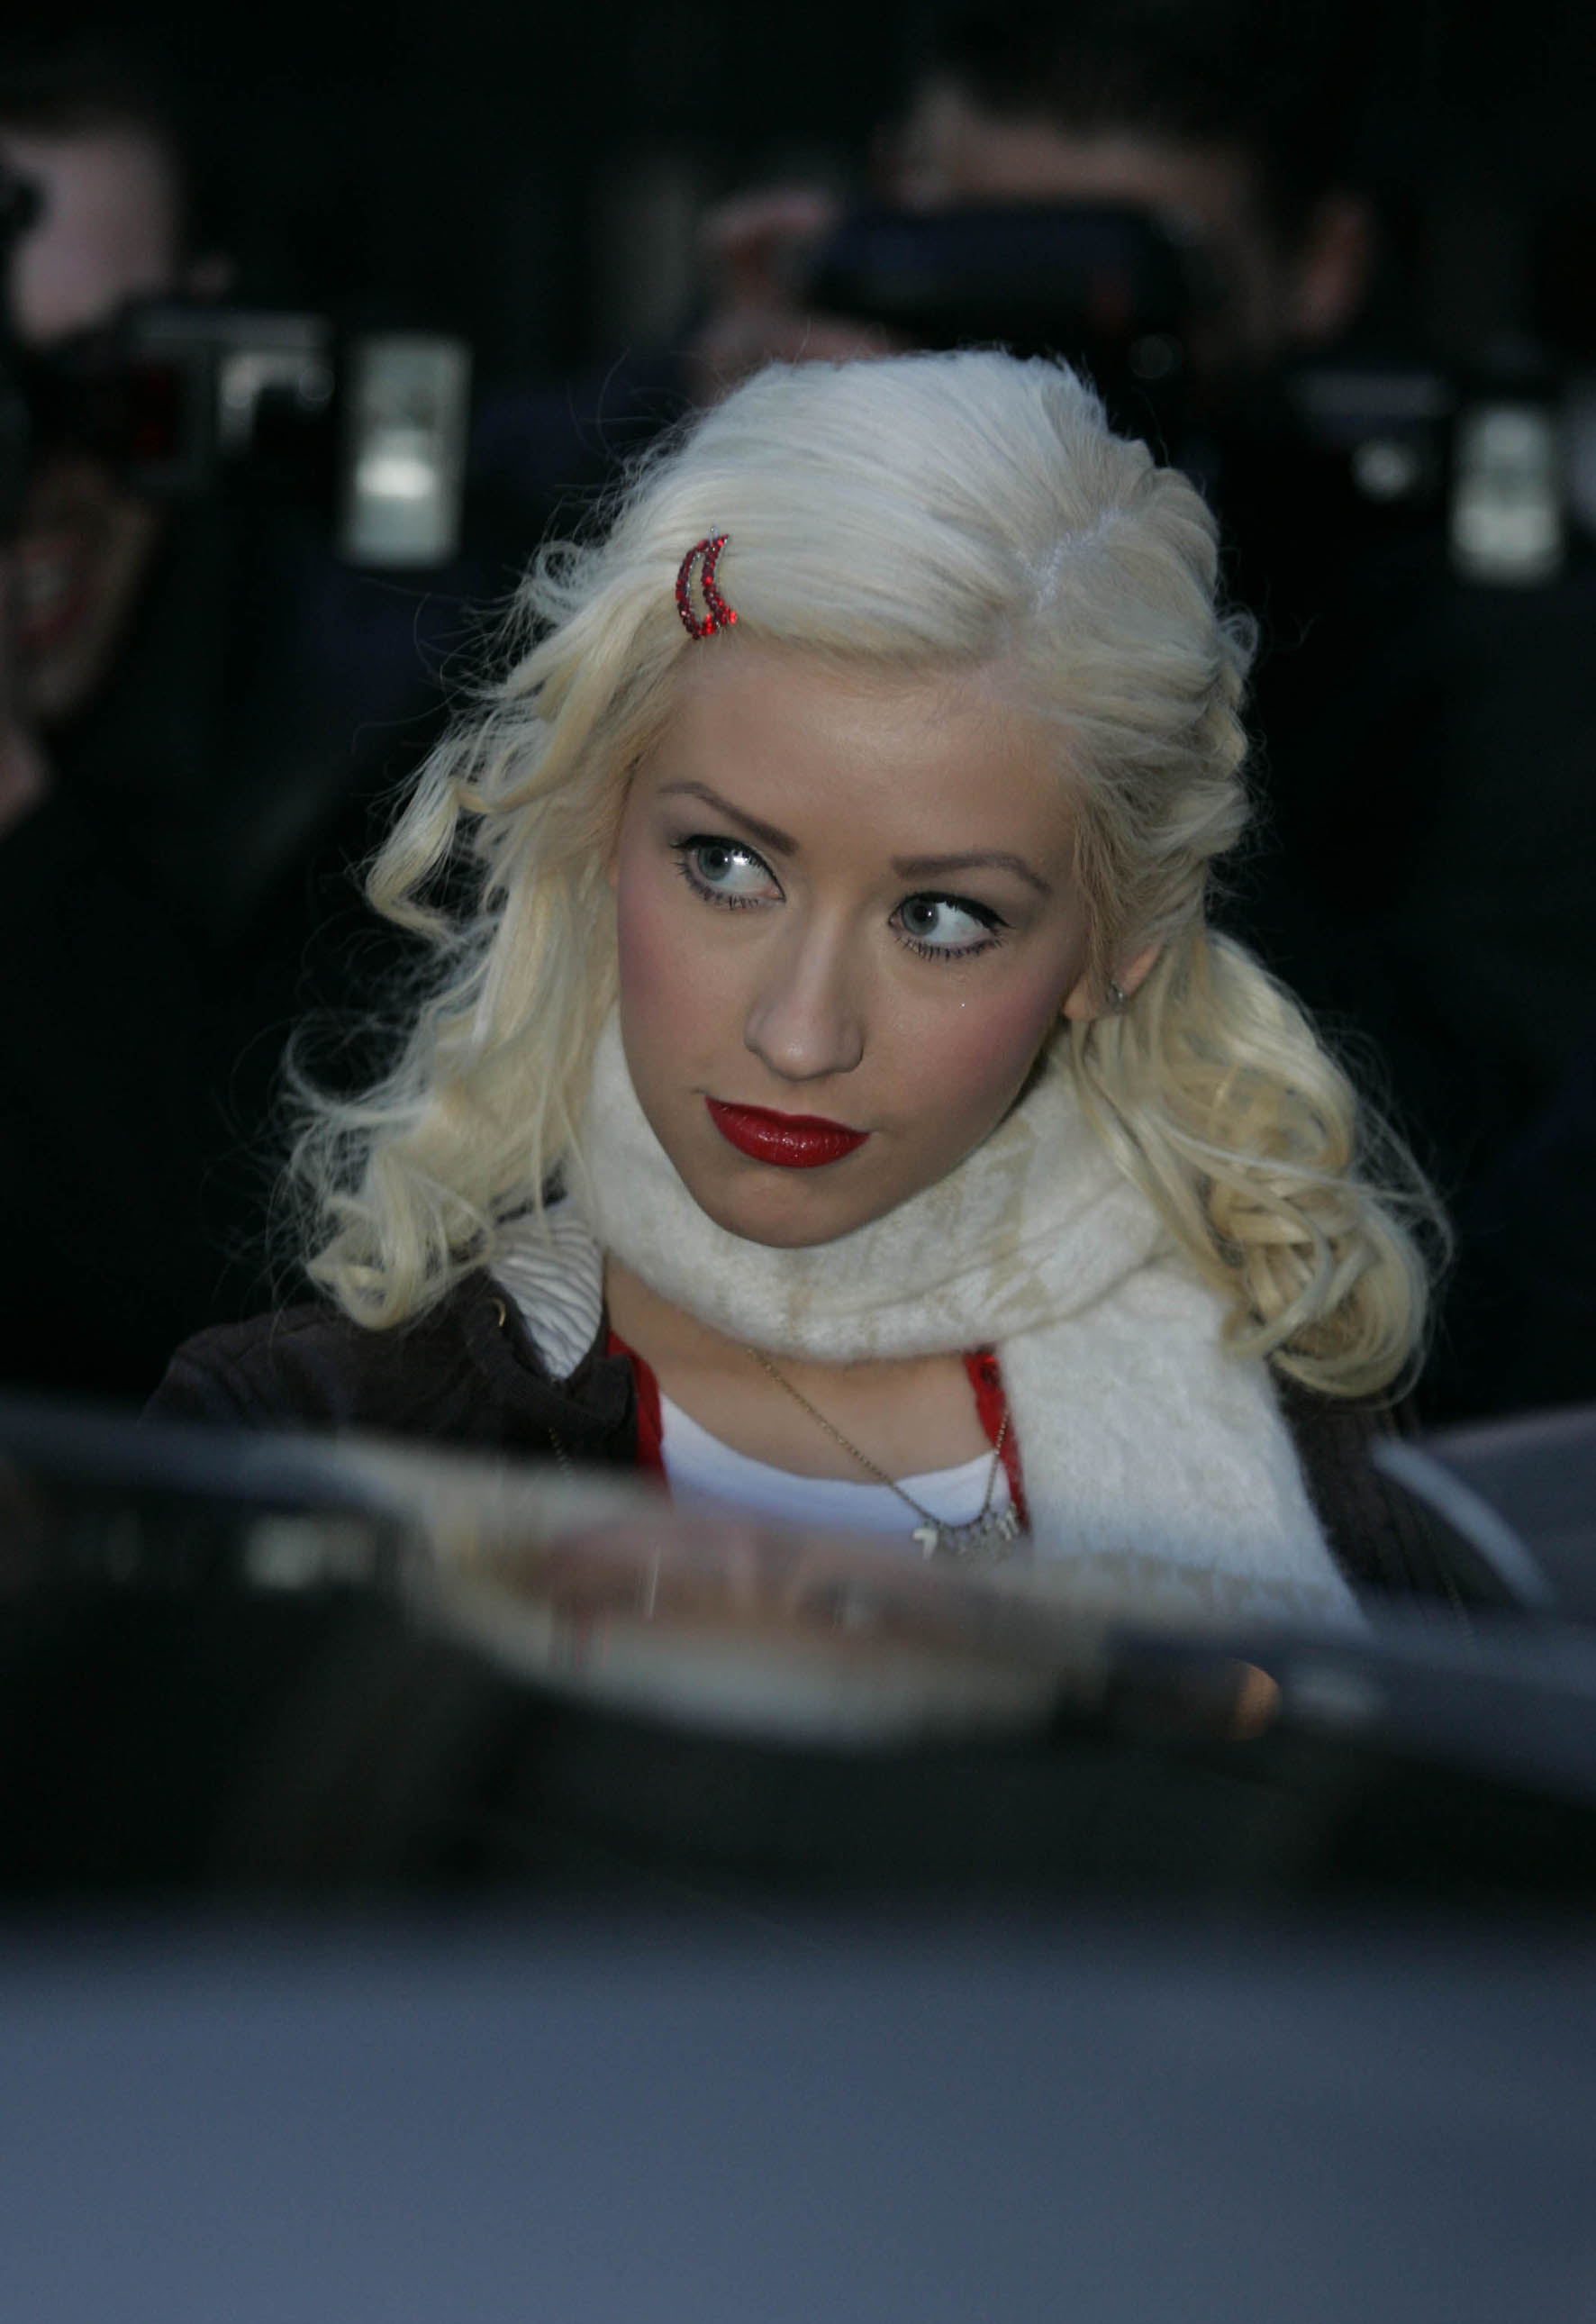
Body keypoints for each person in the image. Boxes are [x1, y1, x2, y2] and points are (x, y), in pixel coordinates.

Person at [151, 350, 1446, 1628]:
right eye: (727, 866)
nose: (800, 1034)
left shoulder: (1316, 1457)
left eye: (941, 919)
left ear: (1118, 953)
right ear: (601, 839)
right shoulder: (308, 1440)